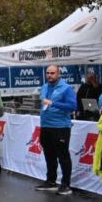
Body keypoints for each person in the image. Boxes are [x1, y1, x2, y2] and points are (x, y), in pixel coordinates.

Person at [35, 65, 78, 195]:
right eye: (47, 73)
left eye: (52, 73)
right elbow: (42, 103)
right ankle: (51, 181)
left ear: (58, 74)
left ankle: (66, 184)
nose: (49, 75)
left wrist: (54, 103)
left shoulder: (66, 88)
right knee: (49, 155)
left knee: (63, 156)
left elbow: (72, 107)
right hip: (45, 125)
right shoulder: (44, 87)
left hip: (60, 127)